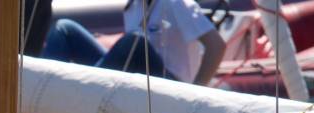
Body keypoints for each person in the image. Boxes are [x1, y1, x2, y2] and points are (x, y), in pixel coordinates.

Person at [42, 0, 226, 85]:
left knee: (136, 42)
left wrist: (195, 92)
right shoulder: (133, 7)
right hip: (139, 81)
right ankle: (45, 89)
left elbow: (217, 46)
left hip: (171, 87)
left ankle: (84, 90)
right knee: (64, 28)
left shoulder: (176, 3)